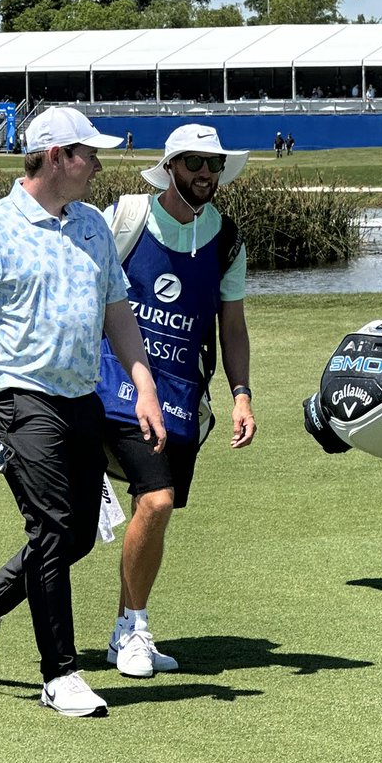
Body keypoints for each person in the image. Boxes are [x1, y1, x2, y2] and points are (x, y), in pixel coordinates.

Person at [0, 107, 166, 718]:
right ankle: (59, 675)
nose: (97, 164)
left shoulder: (93, 226)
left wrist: (144, 387)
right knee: (51, 528)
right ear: (55, 156)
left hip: (82, 400)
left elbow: (118, 313)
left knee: (75, 537)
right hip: (17, 401)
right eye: (87, 154)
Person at [96, 124, 257, 678]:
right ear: (170, 170)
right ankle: (135, 628)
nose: (205, 174)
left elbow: (231, 328)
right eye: (193, 164)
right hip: (109, 386)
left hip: (181, 399)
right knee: (156, 501)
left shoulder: (228, 239)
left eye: (212, 164)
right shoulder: (125, 217)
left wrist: (241, 395)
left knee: (151, 512)